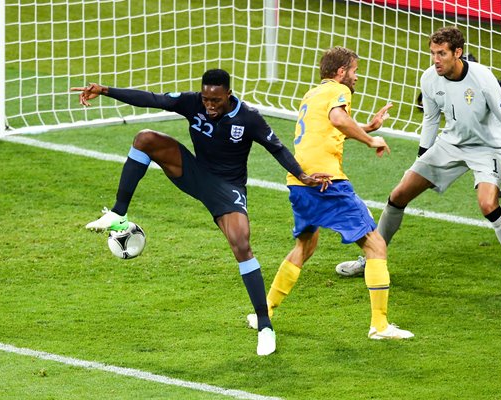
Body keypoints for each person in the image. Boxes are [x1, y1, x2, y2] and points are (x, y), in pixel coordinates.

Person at [70, 69, 331, 356]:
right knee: (145, 138)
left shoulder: (248, 117)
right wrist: (106, 90)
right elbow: (152, 99)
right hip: (193, 172)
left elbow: (277, 148)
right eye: (206, 99)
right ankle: (119, 214)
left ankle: (265, 326)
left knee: (241, 244)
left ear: (228, 95)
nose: (209, 105)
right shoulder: (192, 102)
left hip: (227, 188)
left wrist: (303, 175)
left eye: (215, 100)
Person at [336, 27, 501, 294]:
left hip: (488, 148)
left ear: (458, 53)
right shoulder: (430, 79)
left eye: (442, 53)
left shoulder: (482, 78)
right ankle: (371, 259)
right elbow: (431, 121)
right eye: (432, 53)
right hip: (450, 144)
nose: (436, 59)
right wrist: (421, 161)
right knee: (398, 194)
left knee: (488, 204)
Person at [247, 47, 414, 340]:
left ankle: (265, 311)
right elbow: (338, 119)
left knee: (305, 247)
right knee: (376, 245)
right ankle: (379, 325)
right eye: (355, 71)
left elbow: (328, 127)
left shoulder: (312, 94)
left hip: (300, 179)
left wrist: (366, 126)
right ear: (341, 72)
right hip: (328, 182)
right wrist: (369, 139)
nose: (356, 77)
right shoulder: (339, 91)